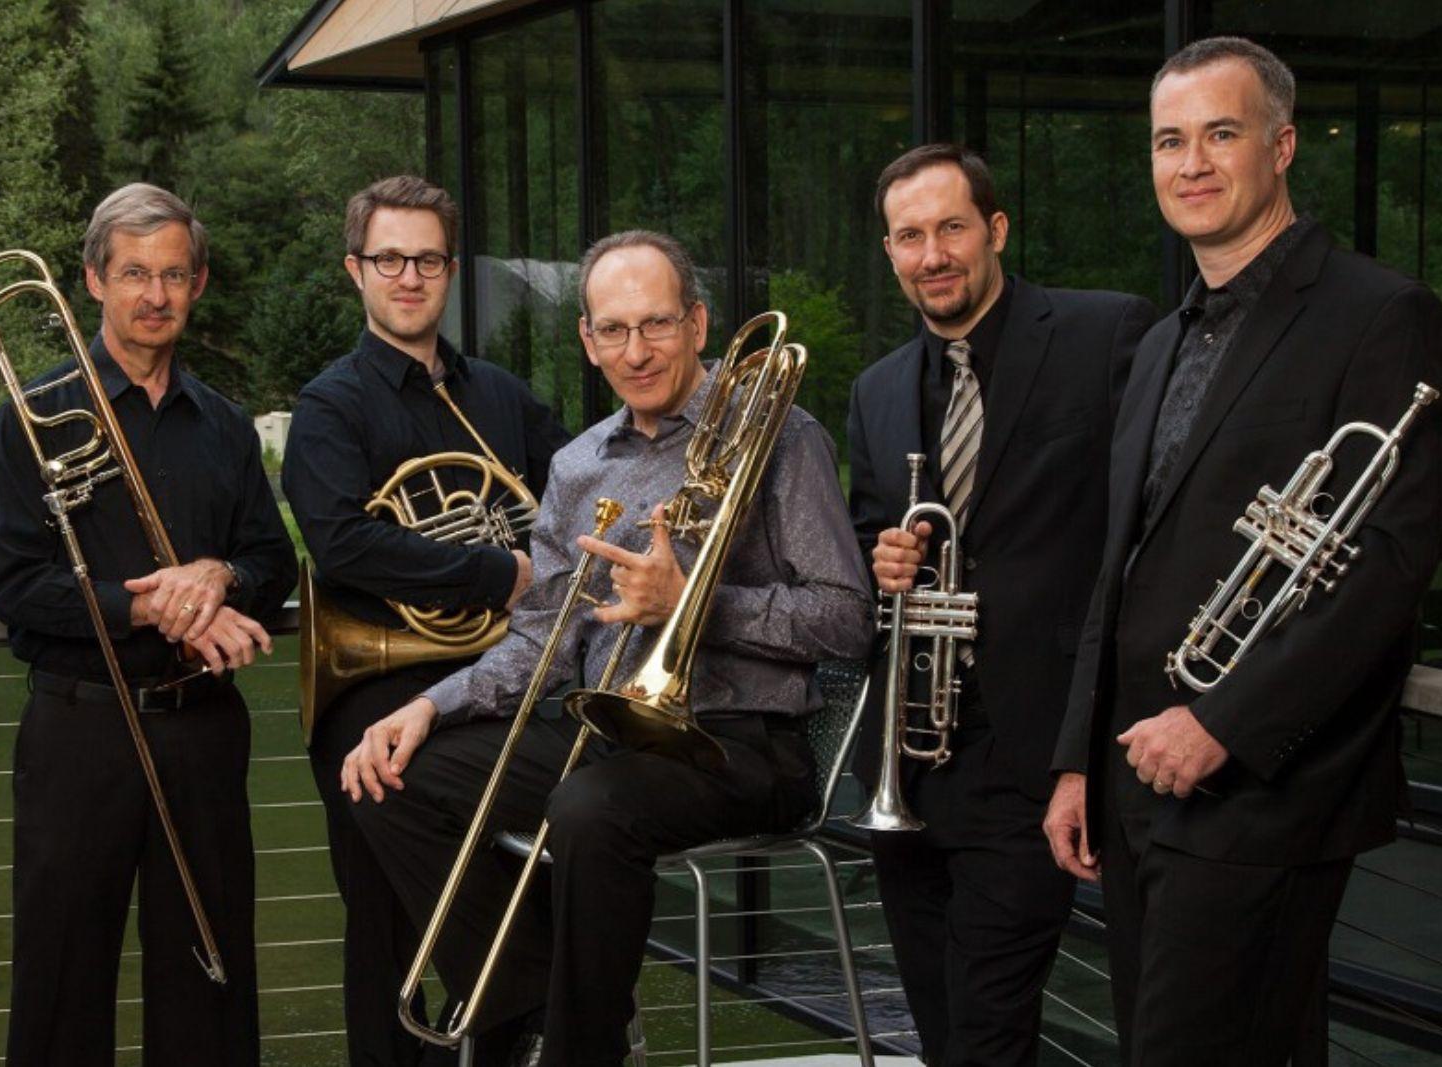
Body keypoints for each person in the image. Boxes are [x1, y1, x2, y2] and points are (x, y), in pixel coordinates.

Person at [340, 229, 872, 1067]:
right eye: (614, 330)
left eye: (656, 324)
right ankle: (528, 990)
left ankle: (579, 1050)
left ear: (698, 324)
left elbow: (846, 619)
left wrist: (696, 603)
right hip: (605, 731)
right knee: (386, 777)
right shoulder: (579, 463)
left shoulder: (782, 434)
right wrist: (424, 705)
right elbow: (540, 644)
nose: (637, 349)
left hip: (745, 741)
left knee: (587, 809)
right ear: (587, 341)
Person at [1043, 37, 1442, 1065]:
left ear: (1279, 146)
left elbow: (1384, 568)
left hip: (1266, 781)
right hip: (1136, 769)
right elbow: (1120, 565)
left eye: (1218, 134)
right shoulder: (1157, 345)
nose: (1190, 162)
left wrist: (1222, 722)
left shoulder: (1381, 316)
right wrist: (1073, 757)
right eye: (1168, 141)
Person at [847, 143, 1154, 1065]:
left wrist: (1084, 753)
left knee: (987, 1027)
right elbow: (873, 536)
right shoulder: (879, 390)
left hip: (1035, 754)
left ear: (996, 230)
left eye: (951, 228)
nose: (932, 254)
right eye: (909, 236)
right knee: (943, 1028)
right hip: (913, 763)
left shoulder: (1105, 335)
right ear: (891, 251)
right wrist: (886, 558)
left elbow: (1148, 526)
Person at [0, 182, 297, 1066]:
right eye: (133, 274)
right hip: (78, 732)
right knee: (59, 982)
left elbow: (275, 565)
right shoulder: (32, 416)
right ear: (93, 280)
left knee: (211, 979)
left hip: (200, 728)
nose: (153, 295)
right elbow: (17, 587)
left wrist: (220, 573)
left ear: (197, 284)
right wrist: (144, 602)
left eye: (172, 274)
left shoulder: (227, 428)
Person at [282, 174, 569, 1066]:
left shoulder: (500, 396)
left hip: (496, 679)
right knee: (387, 932)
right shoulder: (331, 405)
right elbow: (344, 545)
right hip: (379, 683)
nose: (410, 276)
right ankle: (518, 990)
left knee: (528, 881)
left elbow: (569, 495)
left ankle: (523, 1001)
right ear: (355, 269)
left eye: (429, 259)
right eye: (390, 258)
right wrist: (497, 568)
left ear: (450, 271)